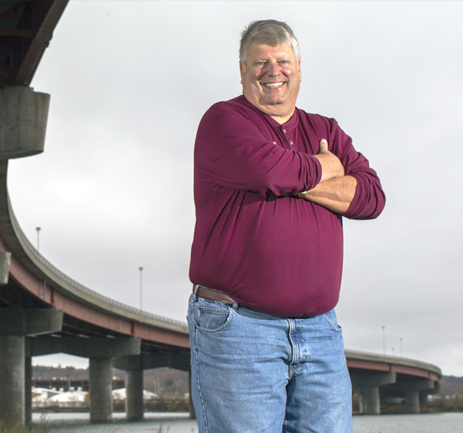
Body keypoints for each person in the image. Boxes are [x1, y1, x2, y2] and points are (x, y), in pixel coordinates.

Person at [187, 20, 385, 433]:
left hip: (321, 331)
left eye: (282, 60)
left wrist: (293, 180)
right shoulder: (223, 121)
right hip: (239, 326)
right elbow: (266, 171)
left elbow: (371, 198)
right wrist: (325, 170)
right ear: (242, 71)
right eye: (259, 62)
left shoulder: (326, 129)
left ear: (298, 66)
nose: (272, 71)